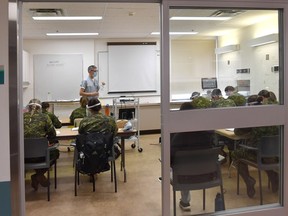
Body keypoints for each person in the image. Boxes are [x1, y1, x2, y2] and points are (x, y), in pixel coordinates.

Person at [231, 95, 279, 198]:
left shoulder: (254, 117)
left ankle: (249, 181)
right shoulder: (277, 116)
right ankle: (273, 177)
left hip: (259, 155)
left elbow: (237, 131)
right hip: (278, 156)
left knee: (236, 154)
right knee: (266, 152)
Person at [170, 101, 215, 211]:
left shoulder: (177, 135)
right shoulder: (207, 134)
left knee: (181, 166)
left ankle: (185, 202)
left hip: (183, 176)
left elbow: (171, 159)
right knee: (187, 164)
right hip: (208, 175)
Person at [24, 99, 60, 191]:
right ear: (40, 108)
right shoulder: (45, 117)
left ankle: (37, 176)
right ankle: (39, 175)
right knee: (55, 153)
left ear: (28, 107)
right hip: (41, 156)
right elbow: (52, 134)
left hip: (23, 156)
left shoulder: (20, 117)